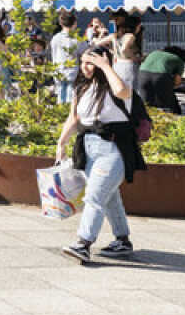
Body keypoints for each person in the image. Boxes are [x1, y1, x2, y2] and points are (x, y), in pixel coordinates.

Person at [55, 44, 142, 263]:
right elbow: (74, 118)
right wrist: (61, 142)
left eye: (90, 62)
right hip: (89, 147)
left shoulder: (117, 84)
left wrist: (105, 66)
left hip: (114, 149)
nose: (85, 67)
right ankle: (122, 240)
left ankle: (83, 243)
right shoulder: (82, 88)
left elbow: (122, 92)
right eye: (83, 62)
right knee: (110, 196)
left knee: (95, 195)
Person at [137, 45, 185, 116]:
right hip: (161, 77)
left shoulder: (154, 53)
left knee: (146, 106)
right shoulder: (178, 60)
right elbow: (177, 82)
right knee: (171, 107)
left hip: (142, 75)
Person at [49, 11, 80, 103]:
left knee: (60, 100)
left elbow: (53, 54)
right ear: (75, 23)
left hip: (58, 71)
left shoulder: (55, 38)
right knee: (71, 101)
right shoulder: (76, 39)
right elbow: (84, 51)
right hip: (73, 73)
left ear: (61, 23)